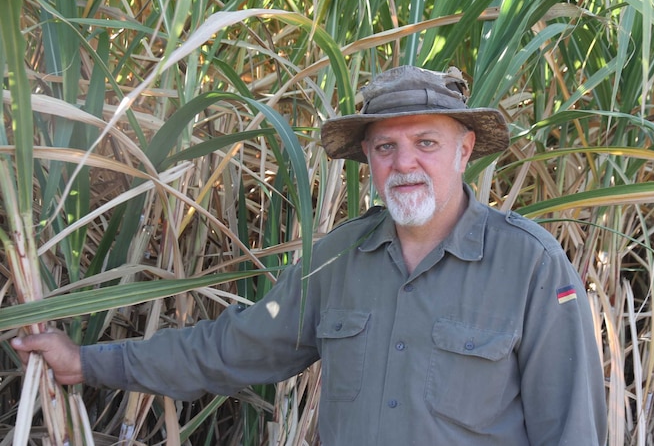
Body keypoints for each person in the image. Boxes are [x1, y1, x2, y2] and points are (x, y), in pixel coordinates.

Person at [13, 66, 607, 445]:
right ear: (367, 160)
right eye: (386, 148)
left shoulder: (530, 265)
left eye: (426, 143)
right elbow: (227, 351)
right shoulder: (337, 262)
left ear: (464, 150)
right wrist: (87, 362)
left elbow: (572, 429)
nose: (405, 164)